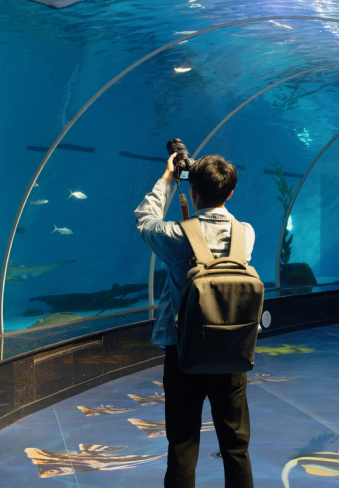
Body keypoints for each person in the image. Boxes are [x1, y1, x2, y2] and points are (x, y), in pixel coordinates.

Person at [134, 153, 256, 488]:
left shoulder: (176, 236)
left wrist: (168, 180)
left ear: (194, 190)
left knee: (183, 446)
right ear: (230, 193)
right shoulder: (246, 234)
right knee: (236, 449)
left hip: (183, 355)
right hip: (232, 356)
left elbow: (144, 220)